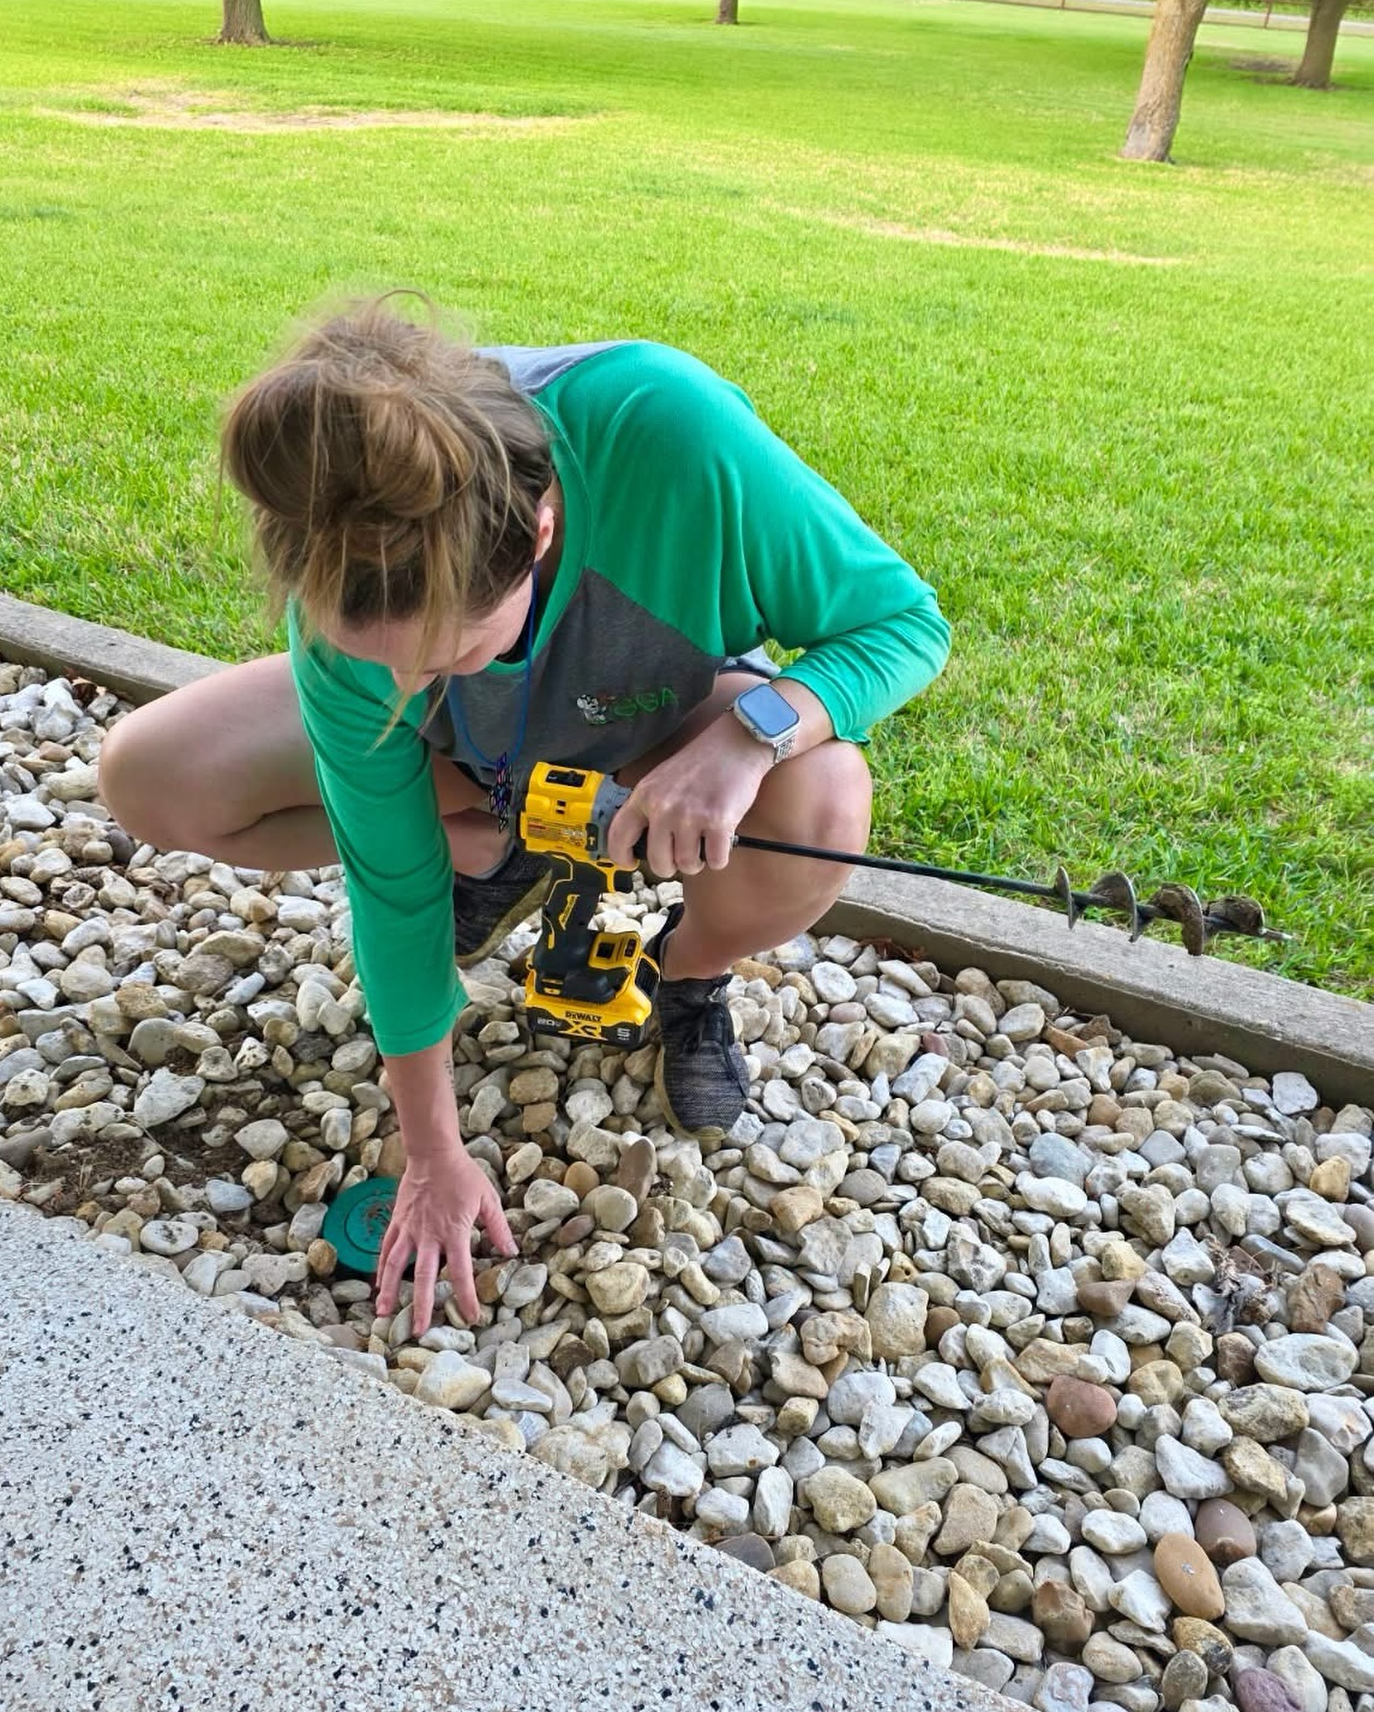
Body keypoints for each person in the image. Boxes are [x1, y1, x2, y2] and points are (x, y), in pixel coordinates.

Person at [98, 294, 950, 1338]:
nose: (407, 685)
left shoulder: (667, 427)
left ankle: (685, 975)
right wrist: (431, 1154)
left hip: (661, 715)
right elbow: (391, 896)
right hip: (489, 761)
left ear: (541, 528)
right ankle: (500, 841)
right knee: (147, 774)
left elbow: (902, 623)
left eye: (448, 653)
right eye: (376, 664)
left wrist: (754, 733)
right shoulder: (346, 566)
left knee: (820, 802)